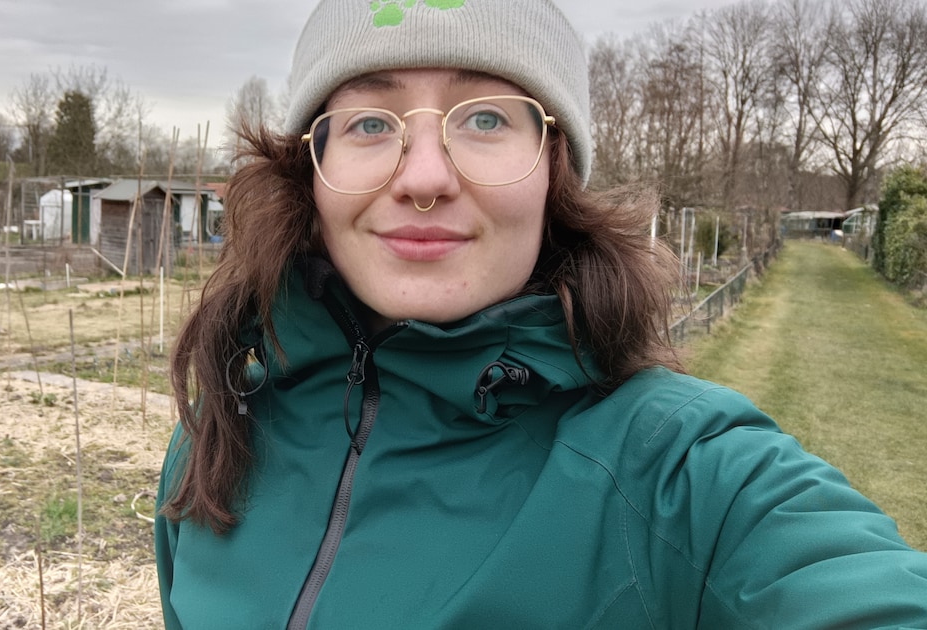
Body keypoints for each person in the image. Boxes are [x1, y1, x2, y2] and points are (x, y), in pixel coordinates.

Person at [154, 0, 927, 627]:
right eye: (368, 122)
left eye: (486, 118)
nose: (424, 177)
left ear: (555, 172)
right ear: (310, 174)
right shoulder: (216, 443)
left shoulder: (680, 474)